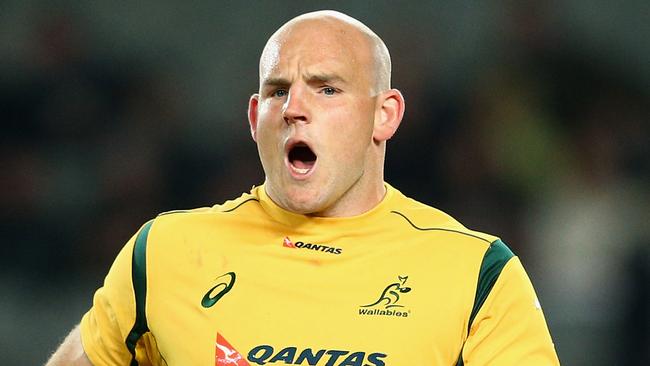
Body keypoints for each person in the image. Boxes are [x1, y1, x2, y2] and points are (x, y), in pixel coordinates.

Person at [46, 10, 559, 366]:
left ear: (385, 115)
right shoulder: (163, 253)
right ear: (254, 117)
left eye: (327, 88)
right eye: (277, 91)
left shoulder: (476, 273)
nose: (294, 107)